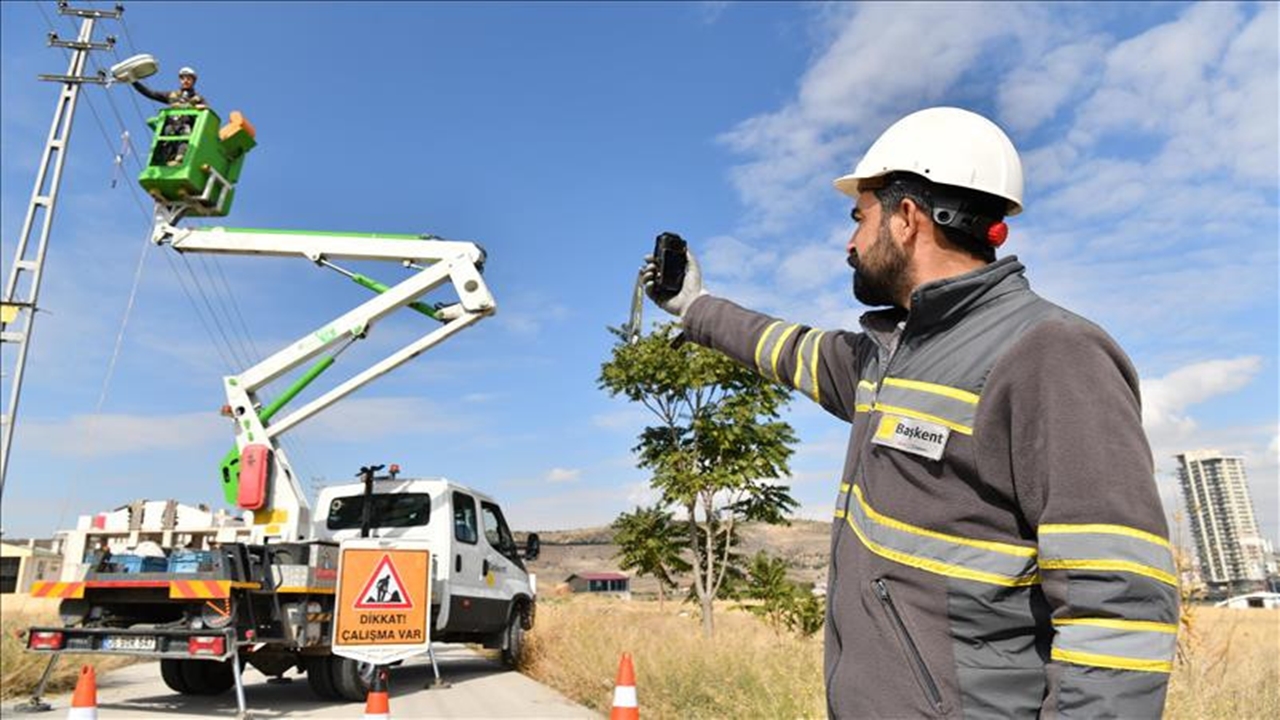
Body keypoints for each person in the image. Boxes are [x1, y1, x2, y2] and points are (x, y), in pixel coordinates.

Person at [644, 106, 1177, 719]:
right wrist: (694, 306)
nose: (849, 243)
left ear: (905, 219)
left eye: (858, 218)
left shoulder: (1050, 353)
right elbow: (788, 349)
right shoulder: (887, 360)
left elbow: (1117, 608)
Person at [131, 66, 208, 110]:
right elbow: (150, 93)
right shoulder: (172, 95)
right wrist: (134, 82)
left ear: (193, 81)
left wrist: (199, 107)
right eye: (183, 78)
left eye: (188, 78)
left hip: (188, 127)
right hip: (171, 126)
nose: (185, 81)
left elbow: (207, 112)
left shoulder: (198, 98)